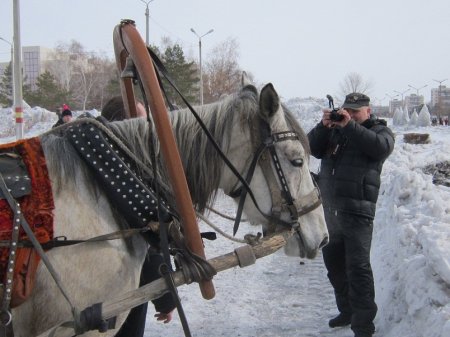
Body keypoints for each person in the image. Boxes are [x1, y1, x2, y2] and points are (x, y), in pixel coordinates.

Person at [307, 93, 395, 337]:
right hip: (331, 211)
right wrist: (323, 127)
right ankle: (346, 311)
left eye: (357, 111)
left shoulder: (380, 132)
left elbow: (379, 150)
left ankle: (363, 324)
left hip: (358, 213)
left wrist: (350, 126)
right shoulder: (336, 131)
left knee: (357, 269)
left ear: (369, 110)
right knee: (334, 267)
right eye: (348, 110)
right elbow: (311, 148)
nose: (351, 114)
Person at [101, 96, 175, 337]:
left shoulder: (97, 161)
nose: (148, 131)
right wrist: (166, 300)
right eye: (142, 124)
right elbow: (150, 241)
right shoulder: (129, 174)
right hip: (121, 288)